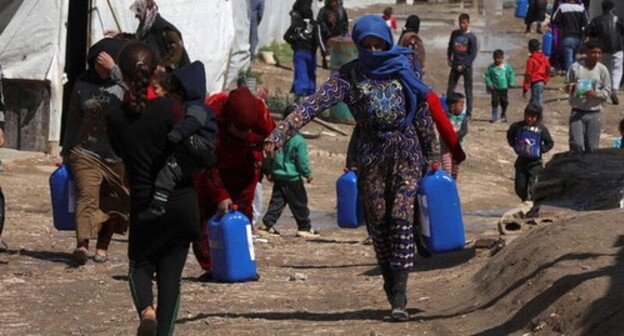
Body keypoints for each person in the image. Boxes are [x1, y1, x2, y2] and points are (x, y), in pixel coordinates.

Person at [264, 15, 465, 322]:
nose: (373, 50)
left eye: (378, 44)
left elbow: (422, 110)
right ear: (358, 46)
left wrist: (432, 156)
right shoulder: (348, 77)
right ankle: (390, 281)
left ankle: (400, 296)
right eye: (366, 45)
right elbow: (311, 105)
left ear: (387, 41)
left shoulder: (405, 67)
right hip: (370, 157)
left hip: (406, 151)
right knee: (380, 227)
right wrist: (279, 134)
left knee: (400, 217)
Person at [106, 41, 200, 336]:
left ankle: (146, 310)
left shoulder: (115, 116)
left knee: (140, 265)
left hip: (145, 203)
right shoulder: (171, 108)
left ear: (121, 72)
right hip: (183, 202)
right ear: (156, 70)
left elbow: (119, 151)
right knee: (171, 280)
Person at [193, 86, 275, 281]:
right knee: (206, 219)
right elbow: (207, 164)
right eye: (237, 129)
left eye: (245, 129)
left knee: (241, 216)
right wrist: (220, 195)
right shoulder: (212, 113)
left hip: (245, 169)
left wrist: (271, 146)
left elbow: (274, 135)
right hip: (212, 169)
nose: (241, 133)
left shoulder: (260, 114)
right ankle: (213, 266)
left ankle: (242, 264)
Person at [61, 38, 130, 265]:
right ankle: (82, 244)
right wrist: (67, 150)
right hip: (86, 152)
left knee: (115, 202)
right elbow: (73, 119)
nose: (102, 69)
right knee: (86, 196)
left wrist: (116, 71)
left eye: (106, 65)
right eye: (98, 64)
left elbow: (142, 93)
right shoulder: (83, 84)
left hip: (117, 154)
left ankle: (103, 245)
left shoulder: (123, 84)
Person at [138, 61, 218, 221]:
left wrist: (177, 134)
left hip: (200, 145)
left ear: (182, 93)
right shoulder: (191, 106)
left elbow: (192, 123)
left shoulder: (196, 108)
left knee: (169, 170)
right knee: (173, 169)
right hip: (192, 149)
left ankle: (158, 205)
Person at [258, 105, 318, 238]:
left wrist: (269, 171)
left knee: (277, 202)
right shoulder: (298, 140)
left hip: (278, 176)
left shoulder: (276, 137)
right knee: (299, 203)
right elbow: (301, 161)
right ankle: (304, 227)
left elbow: (269, 155)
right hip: (292, 178)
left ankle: (267, 225)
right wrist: (307, 174)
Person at [106, 0, 190, 73]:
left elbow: (177, 53)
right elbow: (138, 40)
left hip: (173, 79)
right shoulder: (147, 28)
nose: (136, 15)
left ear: (147, 11)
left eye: (139, 11)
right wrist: (120, 35)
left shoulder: (164, 28)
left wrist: (161, 68)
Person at [565, 39, 611, 153]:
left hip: (594, 113)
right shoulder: (576, 68)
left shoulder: (602, 70)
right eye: (594, 52)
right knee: (576, 145)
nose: (596, 55)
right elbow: (566, 86)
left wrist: (595, 94)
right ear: (587, 52)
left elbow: (607, 91)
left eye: (599, 53)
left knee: (592, 147)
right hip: (577, 112)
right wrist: (572, 87)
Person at [506, 103, 554, 204]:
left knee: (534, 187)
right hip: (521, 162)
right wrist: (514, 145)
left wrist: (540, 150)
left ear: (537, 117)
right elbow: (510, 135)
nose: (529, 119)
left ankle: (532, 205)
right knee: (520, 187)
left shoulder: (541, 129)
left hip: (535, 163)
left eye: (533, 117)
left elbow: (549, 142)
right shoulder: (517, 126)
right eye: (528, 116)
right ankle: (524, 200)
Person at [585, 0, 624, 105]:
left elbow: (588, 31)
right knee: (616, 70)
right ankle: (614, 90)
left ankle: (599, 91)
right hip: (617, 49)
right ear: (613, 8)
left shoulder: (597, 20)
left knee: (601, 70)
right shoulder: (619, 19)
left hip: (602, 49)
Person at [447, 13, 478, 120]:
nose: (462, 25)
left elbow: (473, 54)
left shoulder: (472, 37)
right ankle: (449, 109)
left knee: (468, 89)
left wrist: (464, 65)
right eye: (460, 22)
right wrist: (449, 58)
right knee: (450, 88)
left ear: (468, 23)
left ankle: (468, 113)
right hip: (455, 65)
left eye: (464, 23)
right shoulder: (455, 34)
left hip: (466, 67)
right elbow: (450, 46)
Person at [284, 3, 319, 97]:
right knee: (311, 73)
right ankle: (310, 92)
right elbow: (319, 39)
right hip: (311, 53)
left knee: (301, 72)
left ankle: (300, 93)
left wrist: (294, 42)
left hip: (299, 52)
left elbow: (286, 36)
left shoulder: (296, 23)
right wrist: (325, 53)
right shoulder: (315, 24)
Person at [551, 0, 588, 73]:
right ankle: (574, 76)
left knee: (569, 59)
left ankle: (570, 78)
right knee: (573, 58)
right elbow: (586, 23)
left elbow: (554, 20)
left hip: (566, 37)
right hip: (578, 38)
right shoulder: (581, 8)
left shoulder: (562, 7)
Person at [441, 93, 468, 180]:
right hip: (446, 150)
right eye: (461, 105)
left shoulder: (463, 118)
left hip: (457, 149)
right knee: (447, 171)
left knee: (455, 171)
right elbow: (442, 129)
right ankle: (447, 186)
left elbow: (464, 131)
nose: (463, 107)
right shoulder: (444, 116)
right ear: (452, 107)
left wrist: (455, 136)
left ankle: (453, 184)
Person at [484, 49, 515, 123]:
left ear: (502, 58)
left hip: (504, 87)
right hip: (495, 88)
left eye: (499, 58)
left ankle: (503, 115)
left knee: (504, 102)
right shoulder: (491, 67)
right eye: (496, 58)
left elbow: (511, 74)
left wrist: (511, 82)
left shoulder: (506, 67)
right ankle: (494, 116)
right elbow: (487, 76)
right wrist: (489, 83)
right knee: (495, 101)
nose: (497, 60)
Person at [317, 0, 349, 69]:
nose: (333, 3)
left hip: (339, 35)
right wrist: (327, 32)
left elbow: (345, 22)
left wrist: (344, 33)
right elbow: (320, 23)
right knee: (328, 57)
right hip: (327, 36)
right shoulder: (323, 11)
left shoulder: (341, 10)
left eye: (334, 1)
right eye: (331, 1)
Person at [523, 39, 551, 107]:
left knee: (537, 102)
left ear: (530, 48)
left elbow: (528, 74)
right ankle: (531, 114)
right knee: (536, 99)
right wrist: (546, 79)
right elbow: (548, 68)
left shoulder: (531, 60)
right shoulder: (543, 57)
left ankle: (539, 116)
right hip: (541, 82)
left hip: (535, 82)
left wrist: (525, 87)